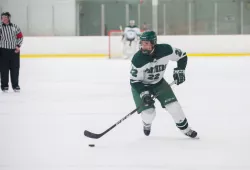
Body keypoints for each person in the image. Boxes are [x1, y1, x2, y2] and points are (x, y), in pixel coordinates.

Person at [130, 30, 198, 138]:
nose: (143, 46)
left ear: (153, 43)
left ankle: (186, 130)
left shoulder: (166, 50)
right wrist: (145, 94)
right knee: (149, 113)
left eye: (146, 43)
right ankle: (146, 124)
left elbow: (182, 56)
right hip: (141, 86)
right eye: (142, 43)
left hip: (158, 83)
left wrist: (180, 70)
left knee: (174, 107)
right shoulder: (138, 59)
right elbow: (134, 81)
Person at [0, 12, 23, 92]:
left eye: (6, 17)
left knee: (15, 69)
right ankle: (4, 86)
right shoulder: (0, 27)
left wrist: (18, 46)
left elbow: (20, 37)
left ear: (9, 18)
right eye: (2, 17)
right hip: (3, 51)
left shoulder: (15, 27)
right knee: (3, 69)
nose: (4, 18)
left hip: (14, 51)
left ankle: (15, 85)